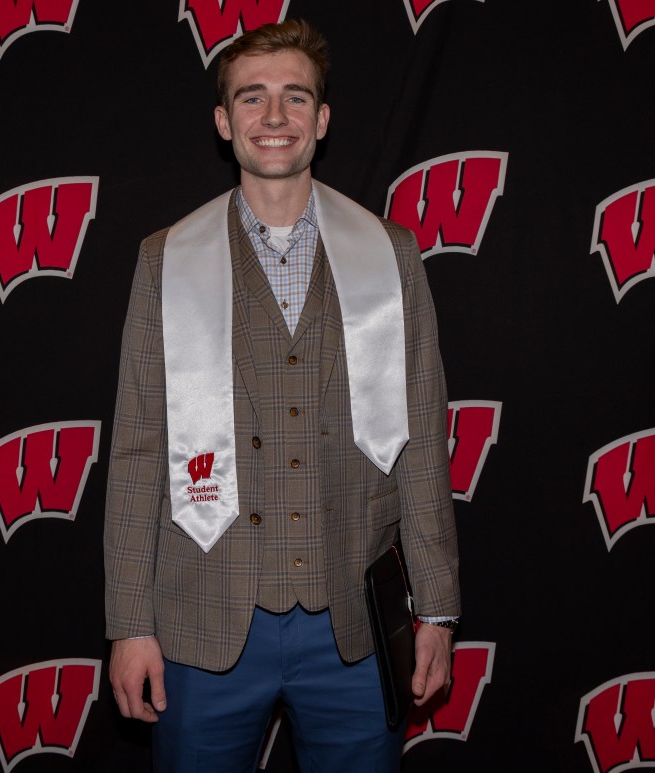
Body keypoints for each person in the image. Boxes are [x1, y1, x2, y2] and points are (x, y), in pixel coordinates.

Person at [104, 19, 459, 772]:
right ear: (223, 120)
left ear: (321, 120)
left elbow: (423, 440)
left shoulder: (389, 254)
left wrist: (438, 607)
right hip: (204, 621)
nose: (274, 118)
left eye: (295, 98)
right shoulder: (165, 259)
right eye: (252, 98)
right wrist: (129, 622)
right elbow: (137, 452)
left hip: (353, 627)